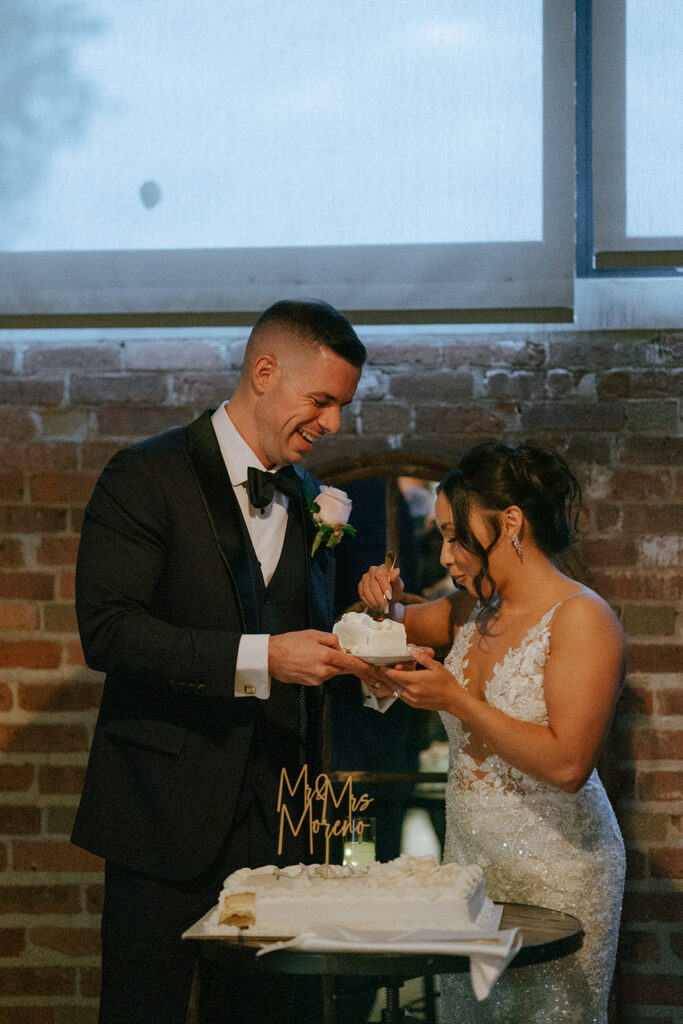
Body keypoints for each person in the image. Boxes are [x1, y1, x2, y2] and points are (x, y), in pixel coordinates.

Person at [71, 298, 376, 1024]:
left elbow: (310, 640)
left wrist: (368, 650)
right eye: (322, 400)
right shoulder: (144, 475)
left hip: (281, 829)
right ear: (265, 372)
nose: (333, 424)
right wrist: (263, 658)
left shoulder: (313, 501)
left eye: (341, 406)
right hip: (162, 818)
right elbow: (109, 632)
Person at [358, 442, 626, 1024]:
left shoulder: (583, 617)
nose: (448, 555)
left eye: (456, 536)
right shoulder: (468, 613)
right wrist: (379, 599)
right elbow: (391, 622)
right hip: (471, 864)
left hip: (560, 869)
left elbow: (568, 765)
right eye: (442, 538)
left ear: (510, 523)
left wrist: (457, 699)